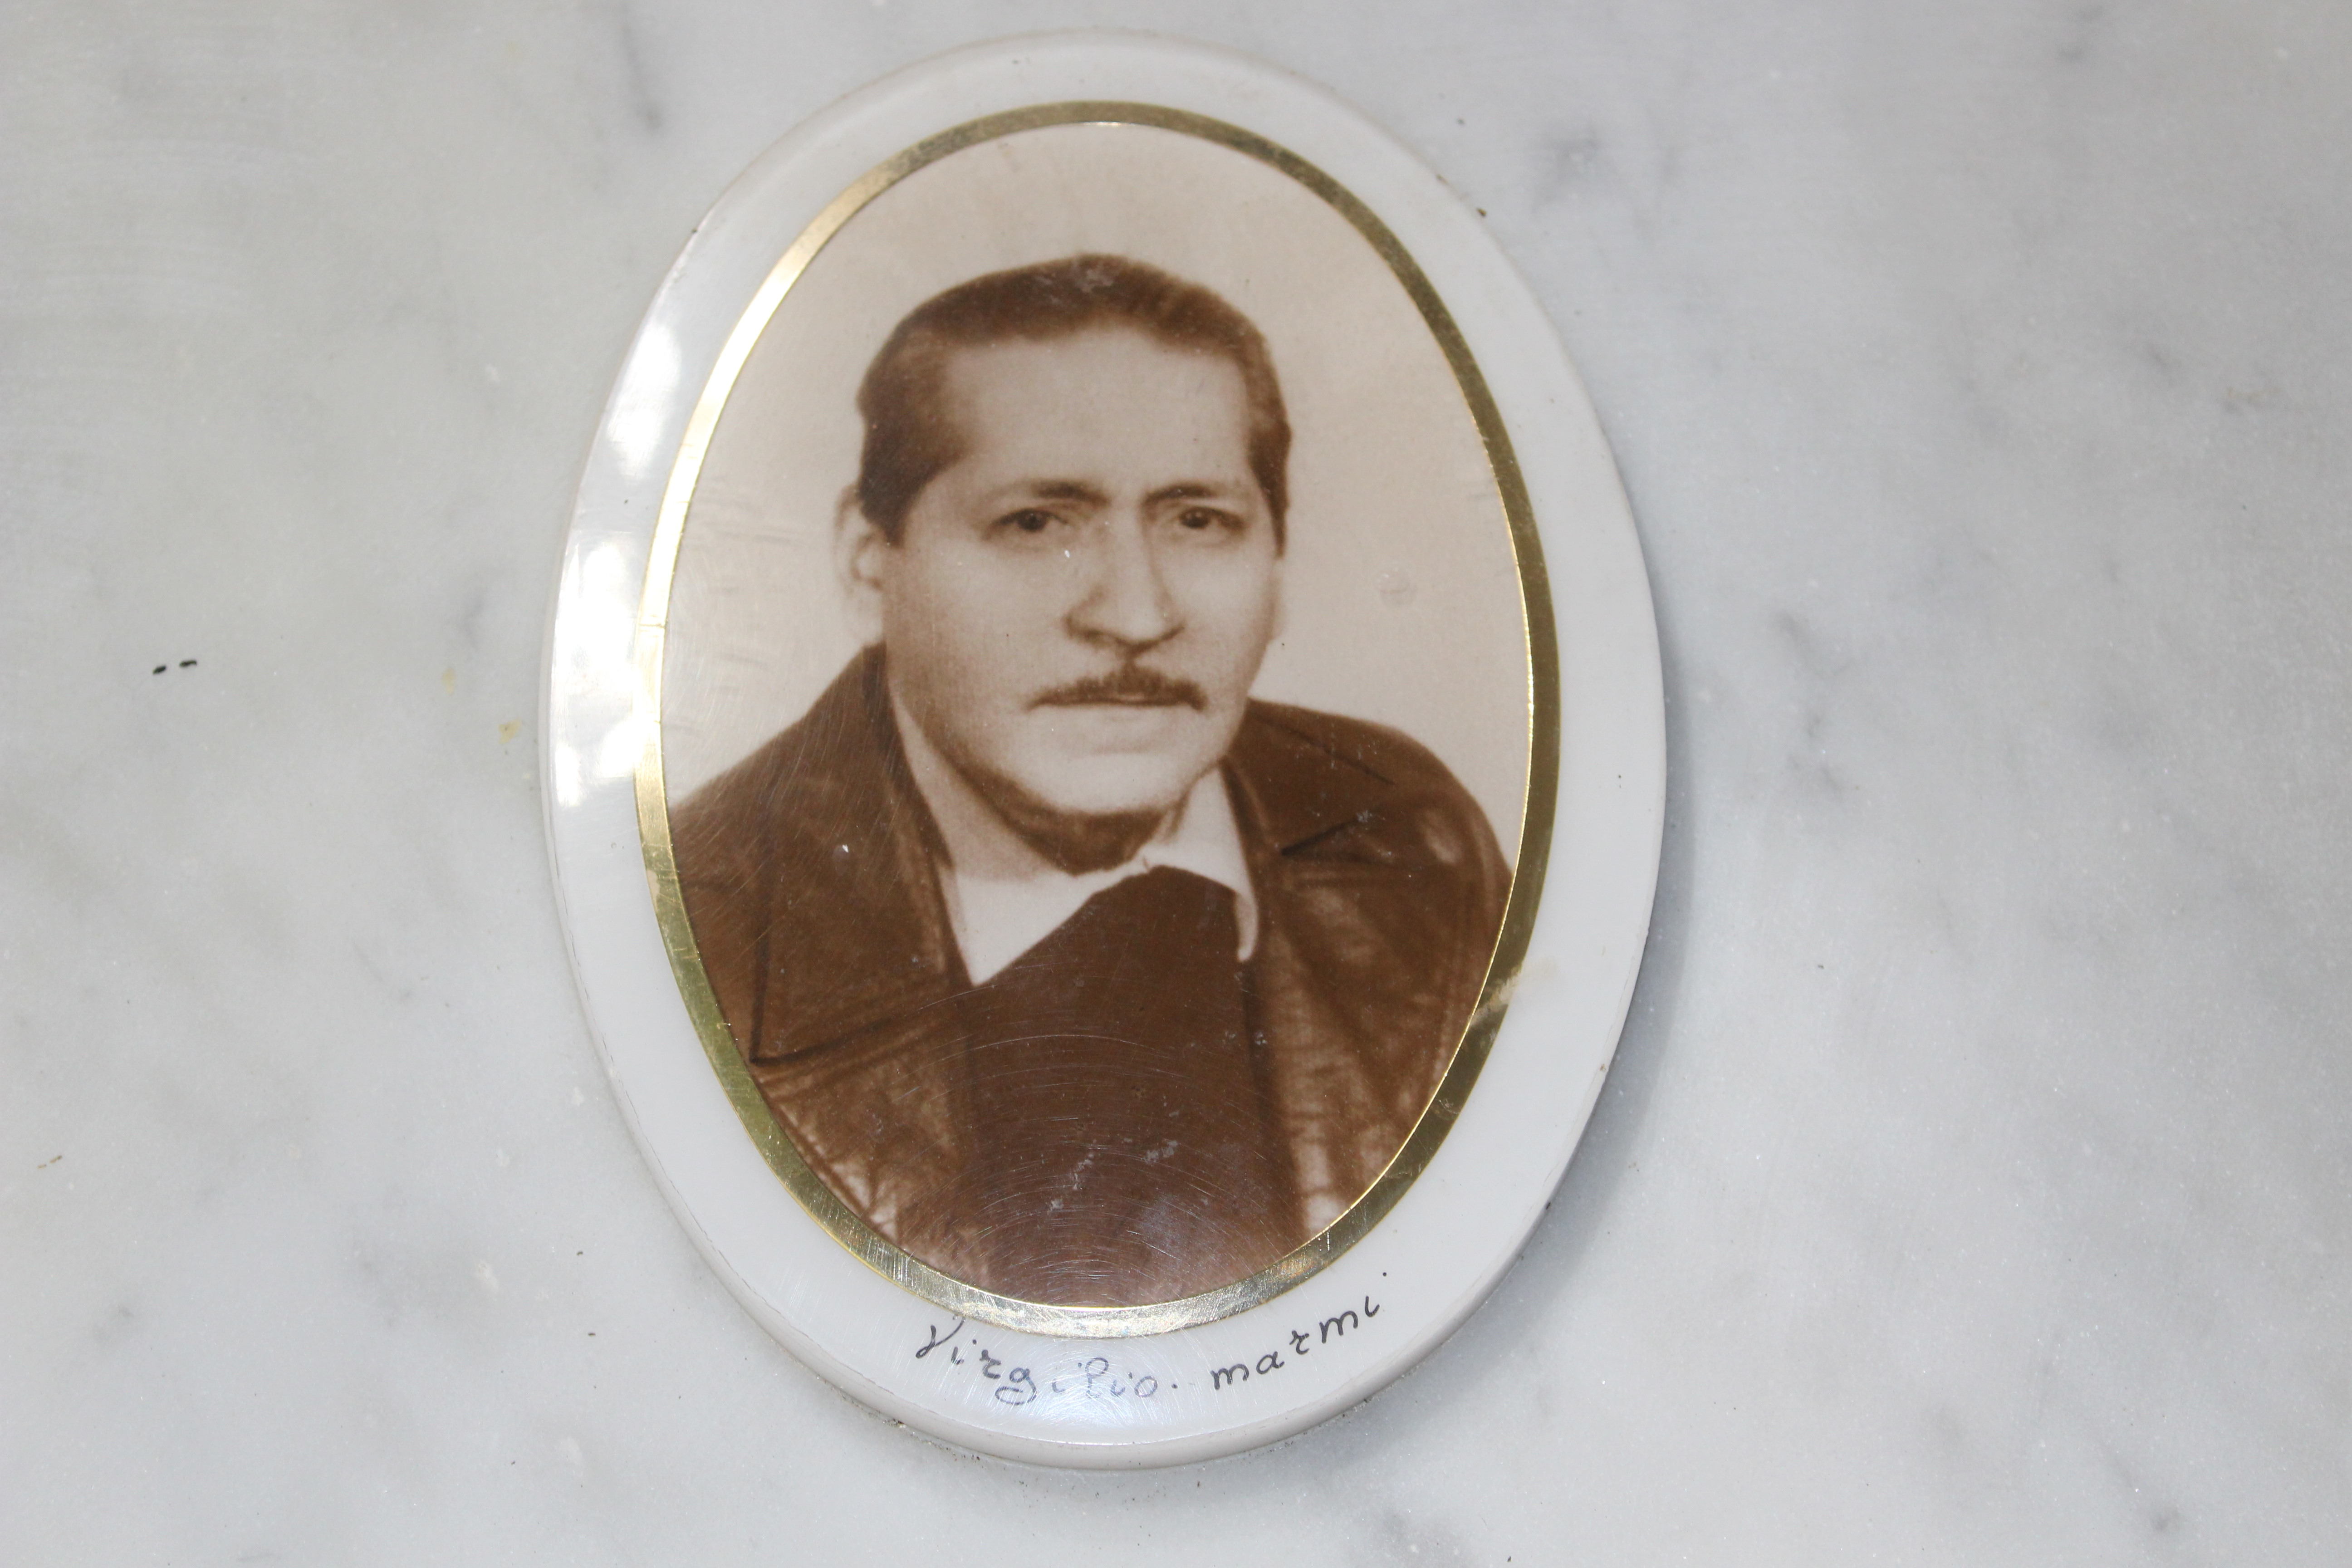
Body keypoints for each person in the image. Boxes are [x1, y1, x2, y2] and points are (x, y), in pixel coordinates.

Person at [671, 254, 1509, 1308]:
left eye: (1197, 520)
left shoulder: (1410, 834)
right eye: (1037, 523)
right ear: (867, 564)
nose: (1133, 614)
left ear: (1277, 562)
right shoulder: (696, 931)